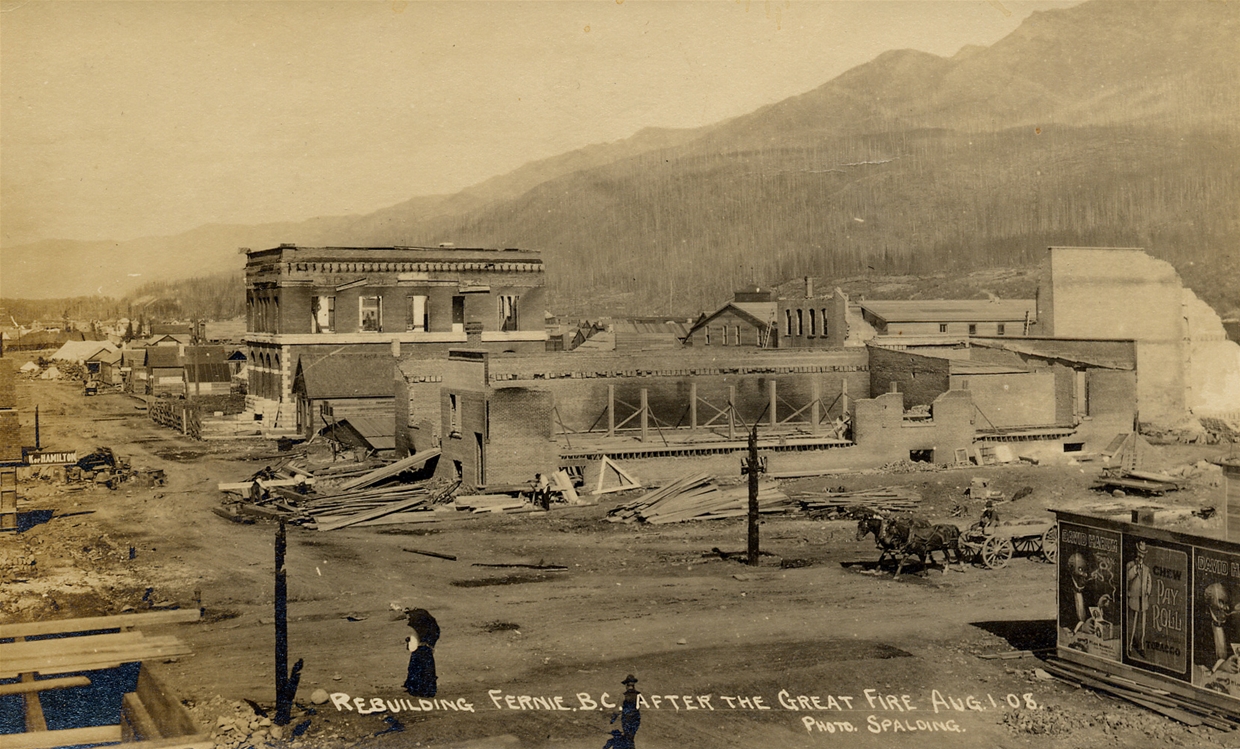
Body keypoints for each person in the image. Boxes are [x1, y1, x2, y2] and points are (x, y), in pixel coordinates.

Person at [403, 608, 439, 698]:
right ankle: (428, 690)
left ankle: (415, 689)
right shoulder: (431, 629)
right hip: (427, 651)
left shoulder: (416, 630)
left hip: (418, 651)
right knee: (427, 671)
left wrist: (408, 641)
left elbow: (412, 646)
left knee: (415, 669)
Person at [1126, 541, 1152, 656]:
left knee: (1142, 626)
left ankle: (1141, 646)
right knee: (1133, 624)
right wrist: (1136, 568)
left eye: (1143, 553)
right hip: (1134, 600)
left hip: (1143, 601)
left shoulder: (1146, 569)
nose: (1141, 555)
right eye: (1139, 553)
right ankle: (1129, 646)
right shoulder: (1131, 565)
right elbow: (1128, 577)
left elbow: (1149, 581)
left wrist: (1148, 591)